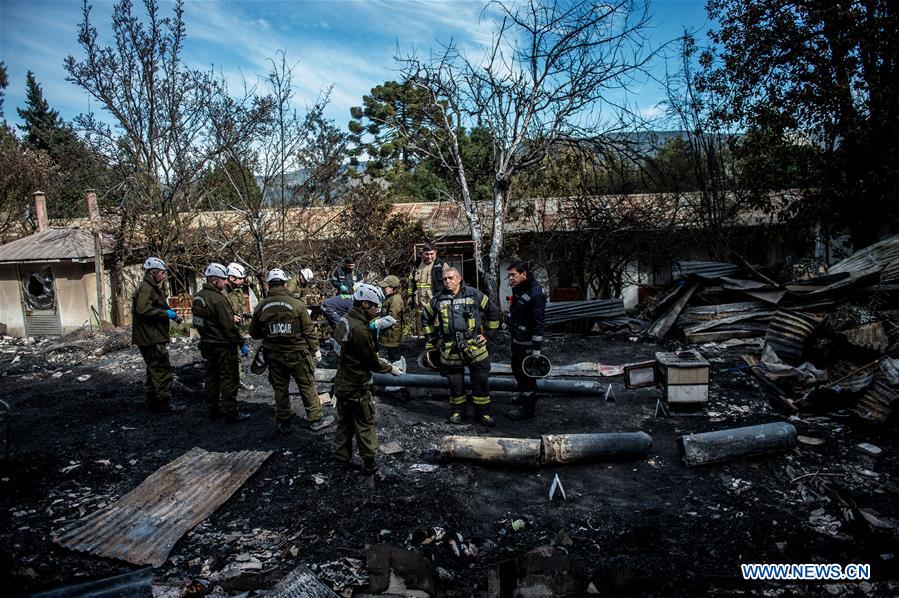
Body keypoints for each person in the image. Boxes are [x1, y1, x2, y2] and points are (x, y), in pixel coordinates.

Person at [249, 268, 335, 435]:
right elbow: (309, 331)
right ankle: (316, 420)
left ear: (268, 285)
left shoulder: (261, 306)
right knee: (307, 387)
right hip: (298, 355)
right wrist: (315, 350)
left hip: (274, 356)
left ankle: (284, 423)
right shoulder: (297, 305)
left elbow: (254, 333)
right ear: (285, 284)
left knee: (280, 389)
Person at [332, 283, 401, 474]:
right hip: (357, 384)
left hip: (342, 380)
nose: (378, 310)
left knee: (344, 422)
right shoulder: (360, 329)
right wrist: (390, 368)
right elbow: (371, 361)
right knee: (364, 423)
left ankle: (340, 458)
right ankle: (369, 463)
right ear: (364, 304)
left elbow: (343, 351)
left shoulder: (345, 320)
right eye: (375, 306)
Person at [421, 268, 501, 426]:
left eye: (451, 278)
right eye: (445, 279)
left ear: (459, 279)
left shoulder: (474, 294)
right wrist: (434, 339)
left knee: (481, 382)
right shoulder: (438, 298)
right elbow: (425, 318)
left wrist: (489, 335)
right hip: (450, 349)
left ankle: (483, 414)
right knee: (455, 384)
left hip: (475, 347)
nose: (447, 281)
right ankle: (458, 412)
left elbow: (493, 311)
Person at [192, 263, 249, 422]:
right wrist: (240, 343)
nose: (225, 283)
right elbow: (228, 327)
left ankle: (213, 409)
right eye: (223, 280)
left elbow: (198, 323)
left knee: (212, 377)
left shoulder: (198, 296)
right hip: (223, 346)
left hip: (207, 343)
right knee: (228, 379)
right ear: (213, 280)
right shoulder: (218, 299)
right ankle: (231, 413)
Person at [132, 257, 183, 413]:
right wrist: (164, 314)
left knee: (153, 370)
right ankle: (164, 403)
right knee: (161, 369)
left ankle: (152, 402)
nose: (164, 276)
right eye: (162, 273)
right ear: (154, 273)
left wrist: (170, 313)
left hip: (150, 336)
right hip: (151, 338)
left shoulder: (151, 287)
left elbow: (153, 306)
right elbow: (143, 310)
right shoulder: (147, 288)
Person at [505, 260, 547, 420]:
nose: (510, 279)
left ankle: (528, 410)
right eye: (509, 275)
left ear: (524, 274)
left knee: (526, 375)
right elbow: (516, 311)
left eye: (513, 275)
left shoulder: (536, 294)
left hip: (528, 343)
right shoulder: (519, 289)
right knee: (516, 369)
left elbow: (538, 322)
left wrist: (536, 349)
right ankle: (524, 397)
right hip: (517, 339)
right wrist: (508, 322)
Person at [226, 262, 253, 391]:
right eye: (240, 278)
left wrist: (243, 315)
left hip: (234, 328)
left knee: (235, 356)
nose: (242, 281)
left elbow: (240, 305)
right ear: (231, 278)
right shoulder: (221, 291)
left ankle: (236, 381)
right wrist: (230, 317)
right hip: (223, 329)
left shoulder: (238, 290)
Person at [377, 275, 406, 394]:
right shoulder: (390, 297)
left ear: (393, 287)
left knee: (395, 357)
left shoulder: (396, 299)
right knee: (395, 355)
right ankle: (402, 376)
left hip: (392, 334)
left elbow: (391, 318)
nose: (384, 289)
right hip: (388, 334)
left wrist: (376, 324)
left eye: (386, 287)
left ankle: (396, 384)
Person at [410, 243, 448, 310]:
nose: (429, 257)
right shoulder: (417, 264)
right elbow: (411, 281)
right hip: (419, 303)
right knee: (420, 320)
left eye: (431, 254)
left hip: (435, 302)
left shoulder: (442, 265)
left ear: (435, 252)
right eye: (427, 254)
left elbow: (451, 282)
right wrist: (410, 296)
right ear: (423, 253)